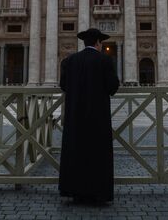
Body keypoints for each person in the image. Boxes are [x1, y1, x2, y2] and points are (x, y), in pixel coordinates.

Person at [59, 28, 120, 203]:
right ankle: (97, 192)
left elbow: (63, 85)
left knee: (75, 152)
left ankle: (75, 191)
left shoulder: (69, 61)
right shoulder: (105, 60)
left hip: (75, 117)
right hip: (97, 118)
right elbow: (112, 87)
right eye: (101, 43)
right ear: (98, 43)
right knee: (97, 154)